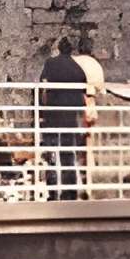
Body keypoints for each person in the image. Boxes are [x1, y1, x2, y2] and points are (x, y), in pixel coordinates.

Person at [38, 37, 88, 201]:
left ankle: (53, 191)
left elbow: (43, 86)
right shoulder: (77, 68)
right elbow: (83, 88)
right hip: (70, 115)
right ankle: (70, 192)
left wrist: (42, 108)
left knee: (52, 152)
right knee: (68, 153)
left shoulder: (50, 63)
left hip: (53, 113)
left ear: (59, 48)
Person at [74, 33, 107, 195]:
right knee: (87, 144)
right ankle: (88, 180)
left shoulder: (75, 62)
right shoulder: (94, 64)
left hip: (74, 106)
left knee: (74, 145)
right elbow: (101, 89)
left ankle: (79, 180)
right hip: (90, 106)